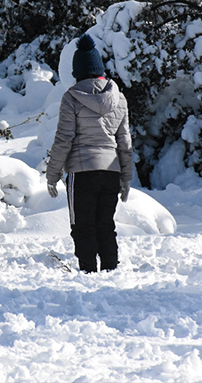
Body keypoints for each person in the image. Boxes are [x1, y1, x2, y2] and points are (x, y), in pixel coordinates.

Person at [45, 33, 133, 273]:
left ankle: (88, 272)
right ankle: (110, 271)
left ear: (77, 72)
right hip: (111, 172)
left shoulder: (71, 98)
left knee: (82, 225)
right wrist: (125, 177)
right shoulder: (119, 99)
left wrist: (52, 175)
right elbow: (124, 142)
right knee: (106, 225)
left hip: (82, 174)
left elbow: (64, 139)